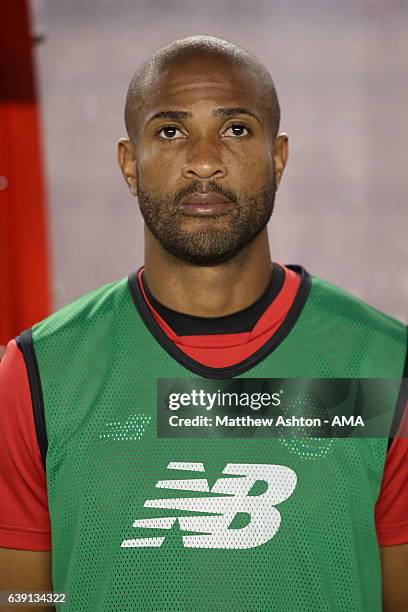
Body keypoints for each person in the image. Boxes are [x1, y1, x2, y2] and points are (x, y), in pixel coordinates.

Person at [0, 35, 407, 612]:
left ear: (279, 157)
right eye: (170, 131)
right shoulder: (38, 373)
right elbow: (19, 595)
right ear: (128, 164)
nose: (205, 159)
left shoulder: (384, 366)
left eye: (237, 128)